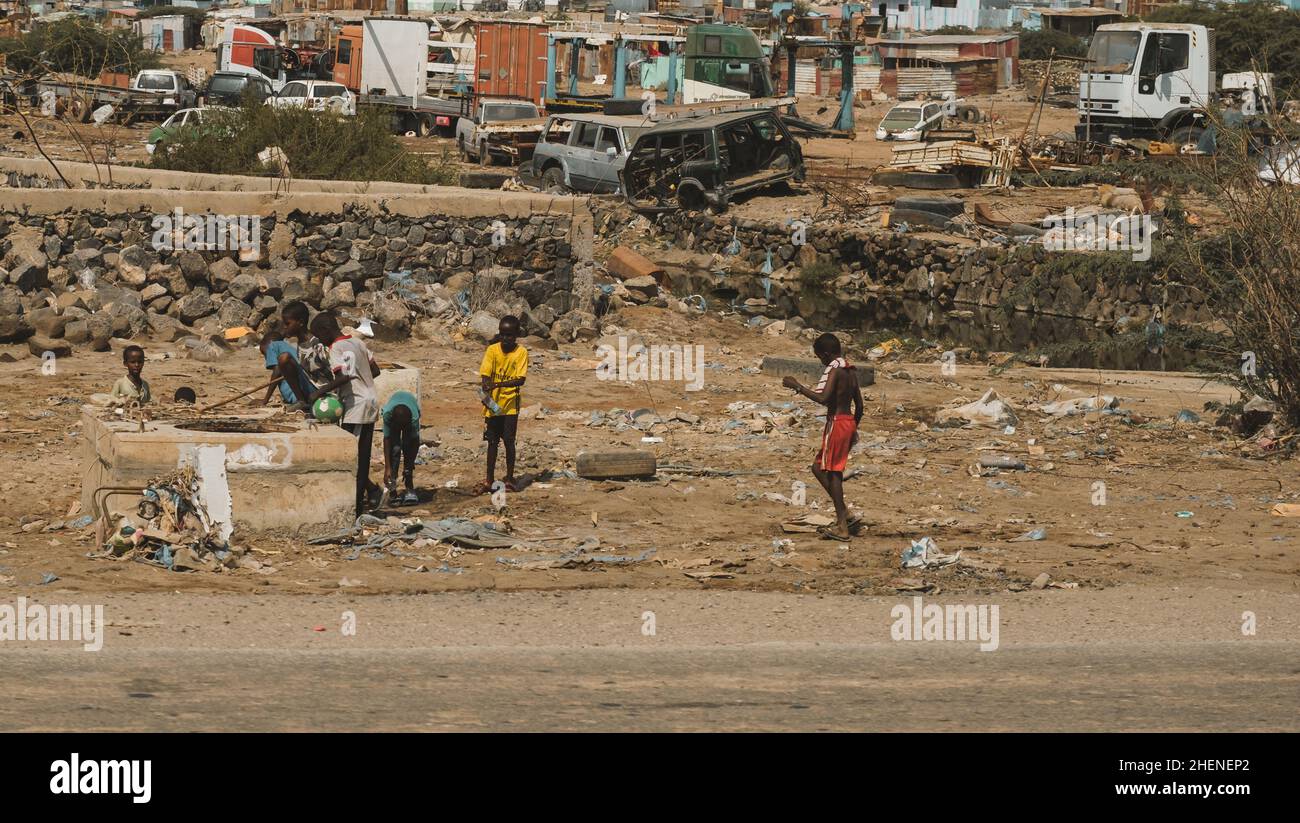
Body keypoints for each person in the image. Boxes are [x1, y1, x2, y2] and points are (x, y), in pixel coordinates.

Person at [782, 333, 863, 542]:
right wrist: (853, 428)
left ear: (826, 354)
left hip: (836, 423)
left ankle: (842, 526)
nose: (821, 361)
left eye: (820, 357)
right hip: (847, 422)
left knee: (834, 473)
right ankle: (845, 514)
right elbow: (860, 406)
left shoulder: (835, 370)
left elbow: (823, 398)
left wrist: (797, 386)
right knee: (818, 468)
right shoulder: (850, 370)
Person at [308, 311, 382, 517]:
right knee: (363, 454)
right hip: (371, 399)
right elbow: (376, 371)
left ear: (325, 331)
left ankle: (355, 507)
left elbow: (344, 376)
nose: (321, 341)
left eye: (319, 336)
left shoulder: (335, 348)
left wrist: (320, 392)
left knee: (354, 456)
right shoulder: (358, 343)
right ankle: (362, 501)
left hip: (356, 405)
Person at [477, 315, 528, 494]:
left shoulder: (521, 352)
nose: (506, 339)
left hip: (510, 405)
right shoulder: (492, 350)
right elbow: (485, 373)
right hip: (494, 403)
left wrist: (496, 384)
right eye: (503, 335)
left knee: (508, 441)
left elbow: (520, 380)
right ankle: (489, 478)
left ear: (516, 335)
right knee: (492, 441)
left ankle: (510, 477)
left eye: (510, 335)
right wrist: (486, 387)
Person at [274, 300, 332, 412]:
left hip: (322, 390)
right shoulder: (300, 343)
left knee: (284, 358)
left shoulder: (316, 343)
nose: (285, 328)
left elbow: (332, 370)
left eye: (288, 324)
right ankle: (302, 401)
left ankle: (302, 401)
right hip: (311, 388)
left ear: (300, 322)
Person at [381, 390, 421, 505]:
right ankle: (392, 490)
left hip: (410, 412)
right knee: (395, 449)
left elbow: (415, 442)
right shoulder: (388, 415)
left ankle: (409, 487)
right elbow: (387, 439)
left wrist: (410, 464)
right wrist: (387, 468)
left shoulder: (413, 419)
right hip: (395, 419)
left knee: (407, 447)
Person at [258, 328, 311, 410]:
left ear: (269, 344)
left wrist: (265, 400)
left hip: (296, 396)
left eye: (264, 353)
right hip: (307, 391)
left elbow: (277, 370)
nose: (266, 357)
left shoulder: (273, 345)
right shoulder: (291, 348)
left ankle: (301, 402)